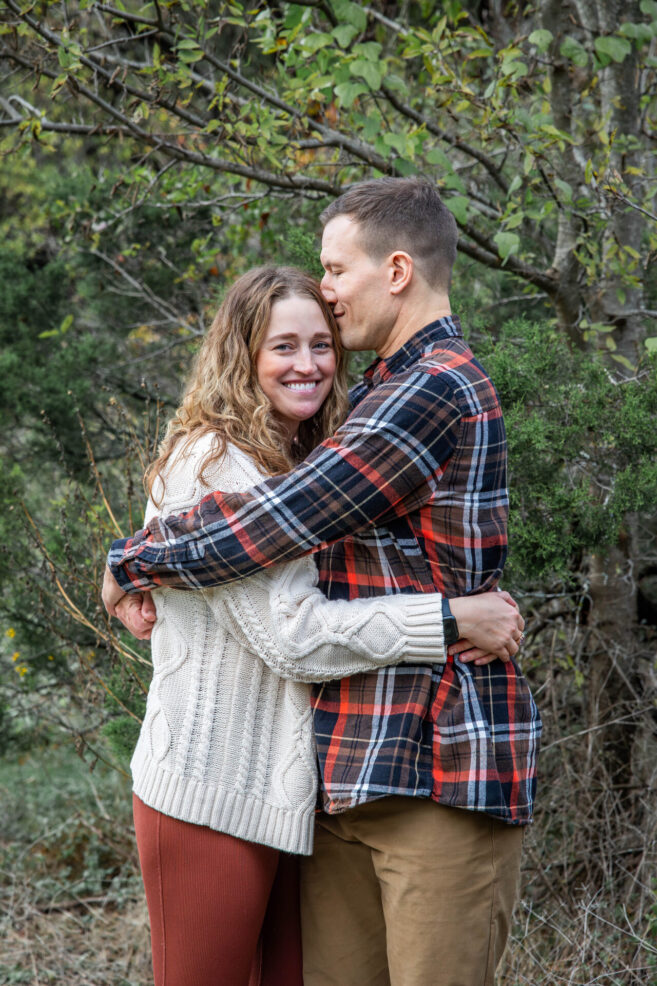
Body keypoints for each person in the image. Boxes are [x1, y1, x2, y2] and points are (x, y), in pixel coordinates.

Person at [104, 178, 541, 986]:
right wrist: (454, 614)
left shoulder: (428, 389)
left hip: (434, 768)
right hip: (345, 777)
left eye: (336, 270)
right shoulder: (370, 393)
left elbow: (277, 523)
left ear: (398, 271)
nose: (329, 293)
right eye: (284, 342)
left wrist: (131, 559)